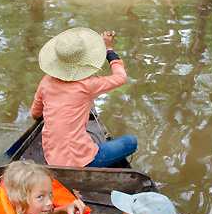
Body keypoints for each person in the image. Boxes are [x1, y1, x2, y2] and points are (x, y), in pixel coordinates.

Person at [31, 27, 137, 167]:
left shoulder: (46, 81)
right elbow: (121, 77)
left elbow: (35, 113)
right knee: (131, 142)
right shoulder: (87, 85)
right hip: (84, 161)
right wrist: (109, 50)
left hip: (52, 159)